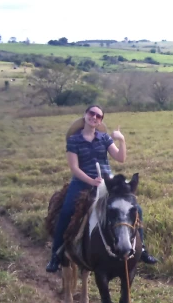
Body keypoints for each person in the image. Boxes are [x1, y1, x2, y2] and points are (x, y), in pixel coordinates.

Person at [46, 105, 158, 272]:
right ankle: (56, 254)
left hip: (107, 182)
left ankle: (141, 250)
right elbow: (74, 168)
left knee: (136, 209)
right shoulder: (74, 140)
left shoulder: (104, 138)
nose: (95, 117)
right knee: (66, 211)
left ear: (100, 121)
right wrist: (91, 181)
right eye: (92, 113)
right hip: (82, 182)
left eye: (99, 116)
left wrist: (121, 140)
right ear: (85, 115)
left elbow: (120, 158)